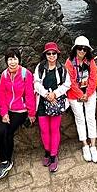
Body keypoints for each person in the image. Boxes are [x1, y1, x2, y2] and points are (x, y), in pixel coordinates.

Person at [0, 47, 36, 180]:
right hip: (7, 109)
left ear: (19, 60)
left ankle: (7, 161)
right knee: (0, 131)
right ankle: (4, 161)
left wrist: (31, 113)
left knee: (9, 132)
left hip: (20, 110)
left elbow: (29, 94)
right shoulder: (4, 75)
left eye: (15, 58)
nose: (12, 62)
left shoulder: (25, 74)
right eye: (10, 59)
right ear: (6, 61)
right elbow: (1, 95)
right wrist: (4, 113)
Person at [34, 42, 71, 173]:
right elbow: (36, 83)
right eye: (48, 53)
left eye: (53, 53)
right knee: (44, 130)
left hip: (56, 103)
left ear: (57, 54)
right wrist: (46, 94)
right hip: (42, 103)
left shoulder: (62, 68)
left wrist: (55, 94)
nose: (51, 56)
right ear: (45, 55)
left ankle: (54, 156)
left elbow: (67, 84)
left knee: (54, 129)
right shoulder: (40, 68)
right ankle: (47, 152)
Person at [65, 36, 97, 163]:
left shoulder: (90, 61)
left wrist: (88, 93)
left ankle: (93, 145)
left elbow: (93, 78)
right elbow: (71, 82)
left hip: (89, 93)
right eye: (79, 48)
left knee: (91, 118)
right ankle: (85, 145)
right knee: (80, 119)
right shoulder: (69, 63)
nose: (82, 51)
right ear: (75, 49)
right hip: (75, 95)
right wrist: (81, 94)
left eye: (84, 49)